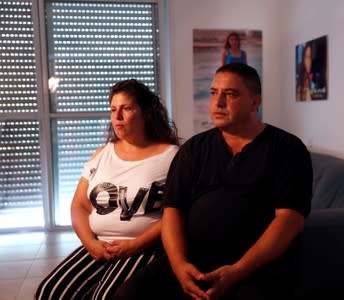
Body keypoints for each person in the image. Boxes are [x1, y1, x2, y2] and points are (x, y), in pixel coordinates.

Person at [113, 63, 312, 300]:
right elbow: (173, 210)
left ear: (255, 102)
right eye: (214, 93)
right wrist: (179, 266)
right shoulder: (193, 149)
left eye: (230, 94)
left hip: (256, 267)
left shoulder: (287, 149)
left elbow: (289, 221)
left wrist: (238, 271)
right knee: (128, 295)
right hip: (194, 262)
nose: (218, 103)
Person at [35, 79, 180, 300]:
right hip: (99, 244)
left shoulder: (171, 156)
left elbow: (177, 212)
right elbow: (80, 205)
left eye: (127, 108)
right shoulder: (102, 153)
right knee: (50, 291)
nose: (117, 117)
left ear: (146, 113)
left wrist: (135, 245)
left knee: (104, 297)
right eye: (113, 109)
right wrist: (91, 244)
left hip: (142, 247)